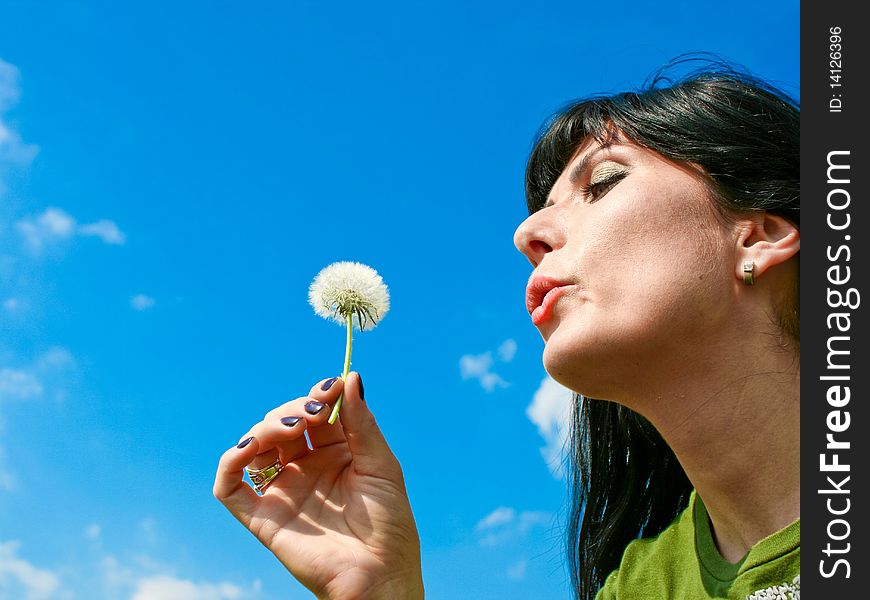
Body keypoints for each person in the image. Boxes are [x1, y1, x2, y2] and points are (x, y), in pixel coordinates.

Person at [213, 57, 800, 600]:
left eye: (602, 183)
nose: (527, 235)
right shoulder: (639, 586)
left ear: (760, 234)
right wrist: (384, 588)